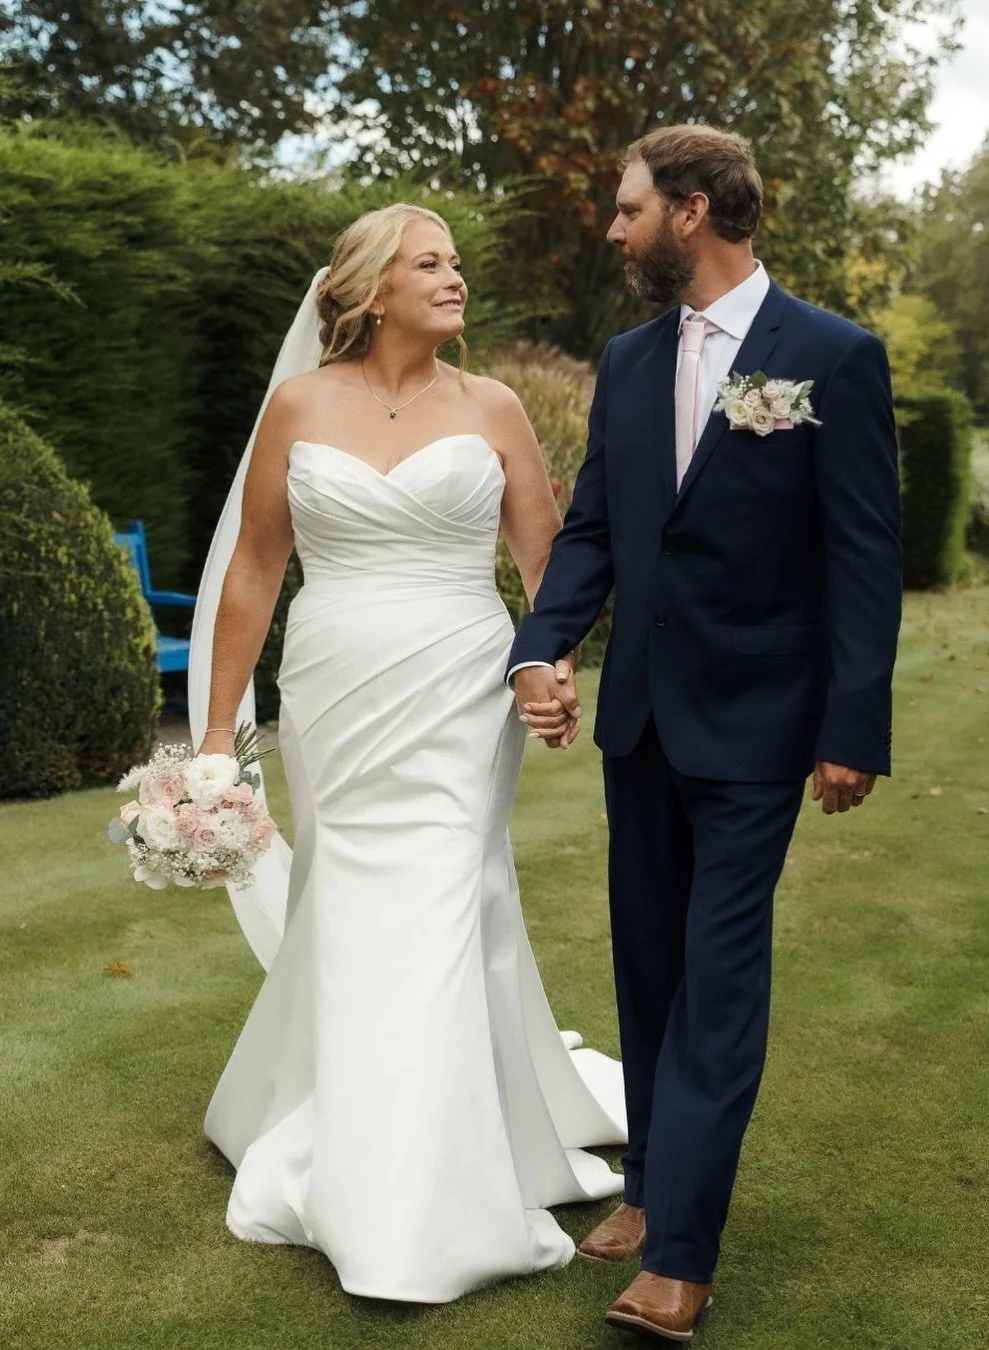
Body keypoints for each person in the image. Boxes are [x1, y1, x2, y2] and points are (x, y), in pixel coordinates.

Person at [187, 203, 627, 1305]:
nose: (454, 277)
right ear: (371, 290)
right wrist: (216, 736)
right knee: (350, 898)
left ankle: (421, 1188)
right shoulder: (300, 405)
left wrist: (552, 665)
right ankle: (357, 1128)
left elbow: (548, 564)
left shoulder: (494, 407)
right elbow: (255, 570)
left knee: (438, 891)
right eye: (430, 263)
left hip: (462, 686)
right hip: (333, 689)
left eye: (457, 263)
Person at [509, 125, 903, 1341]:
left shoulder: (831, 356)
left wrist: (853, 725)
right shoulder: (628, 361)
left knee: (719, 976)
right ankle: (646, 1184)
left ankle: (681, 1256)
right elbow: (595, 530)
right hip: (641, 720)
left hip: (760, 723)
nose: (615, 230)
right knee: (648, 964)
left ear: (691, 210)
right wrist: (539, 647)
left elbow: (863, 554)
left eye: (629, 209)